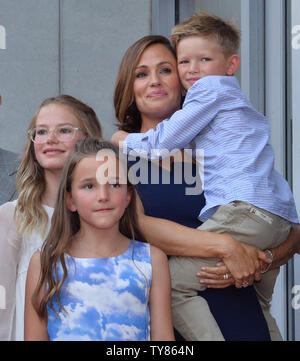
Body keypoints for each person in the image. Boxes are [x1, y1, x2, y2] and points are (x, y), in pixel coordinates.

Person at [112, 14, 299, 340]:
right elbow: (135, 224)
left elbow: (290, 231)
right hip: (179, 327)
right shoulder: (114, 157)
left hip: (245, 314)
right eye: (142, 74)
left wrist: (263, 260)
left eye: (166, 70)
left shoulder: (223, 153)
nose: (155, 80)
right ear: (129, 86)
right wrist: (226, 247)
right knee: (169, 283)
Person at [24, 137, 174, 341]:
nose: (103, 195)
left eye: (114, 183)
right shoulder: (45, 263)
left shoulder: (152, 260)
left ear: (128, 195)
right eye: (88, 186)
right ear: (70, 200)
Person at [0, 95, 102, 341]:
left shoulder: (106, 213)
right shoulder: (13, 217)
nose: (50, 139)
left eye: (64, 130)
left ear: (88, 140)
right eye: (41, 131)